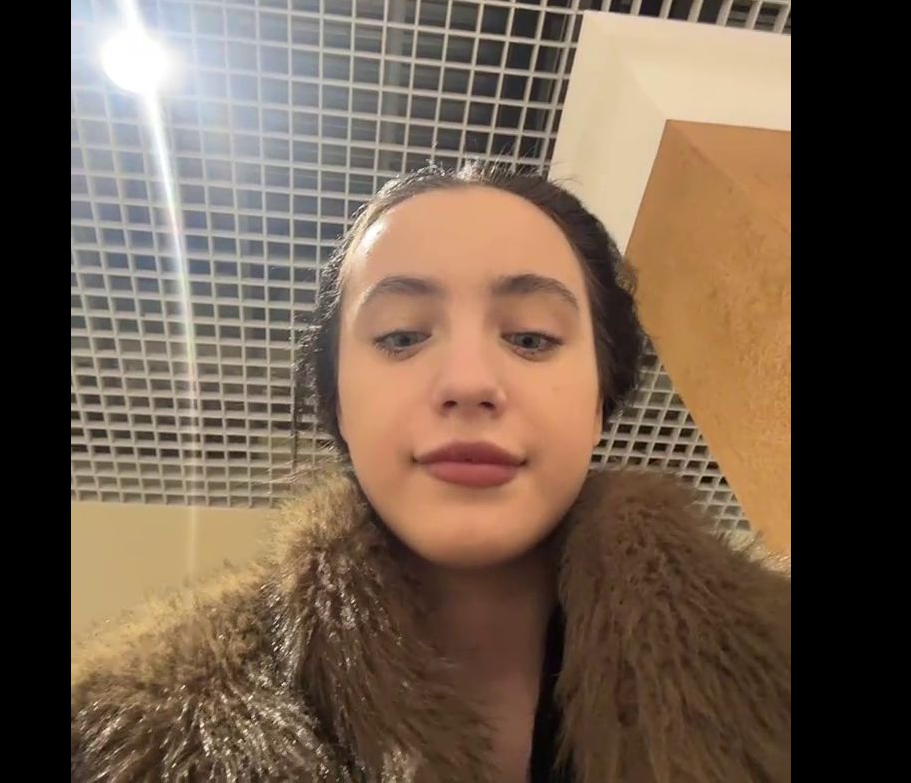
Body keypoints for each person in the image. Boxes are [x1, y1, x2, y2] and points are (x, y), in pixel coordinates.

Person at [71, 163, 791, 783]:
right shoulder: (110, 737)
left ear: (601, 399)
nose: (469, 382)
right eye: (402, 336)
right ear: (340, 404)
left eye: (532, 337)